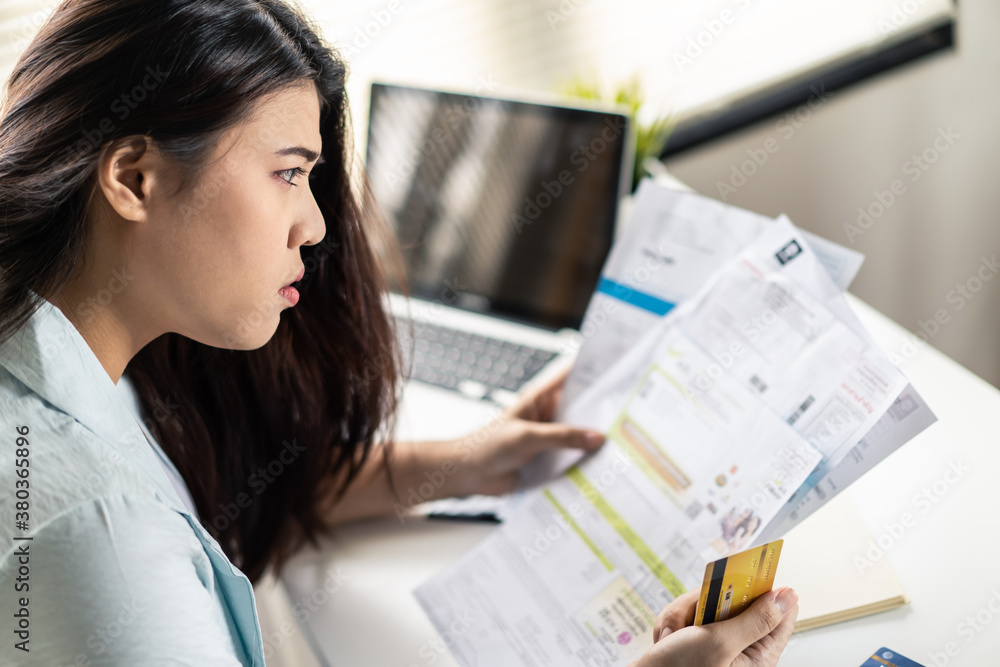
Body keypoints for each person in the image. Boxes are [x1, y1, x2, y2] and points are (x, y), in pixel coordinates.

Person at [0, 0, 797, 664]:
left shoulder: (56, 353)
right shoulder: (101, 544)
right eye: (288, 171)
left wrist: (466, 463)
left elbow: (229, 493)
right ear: (135, 179)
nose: (313, 225)